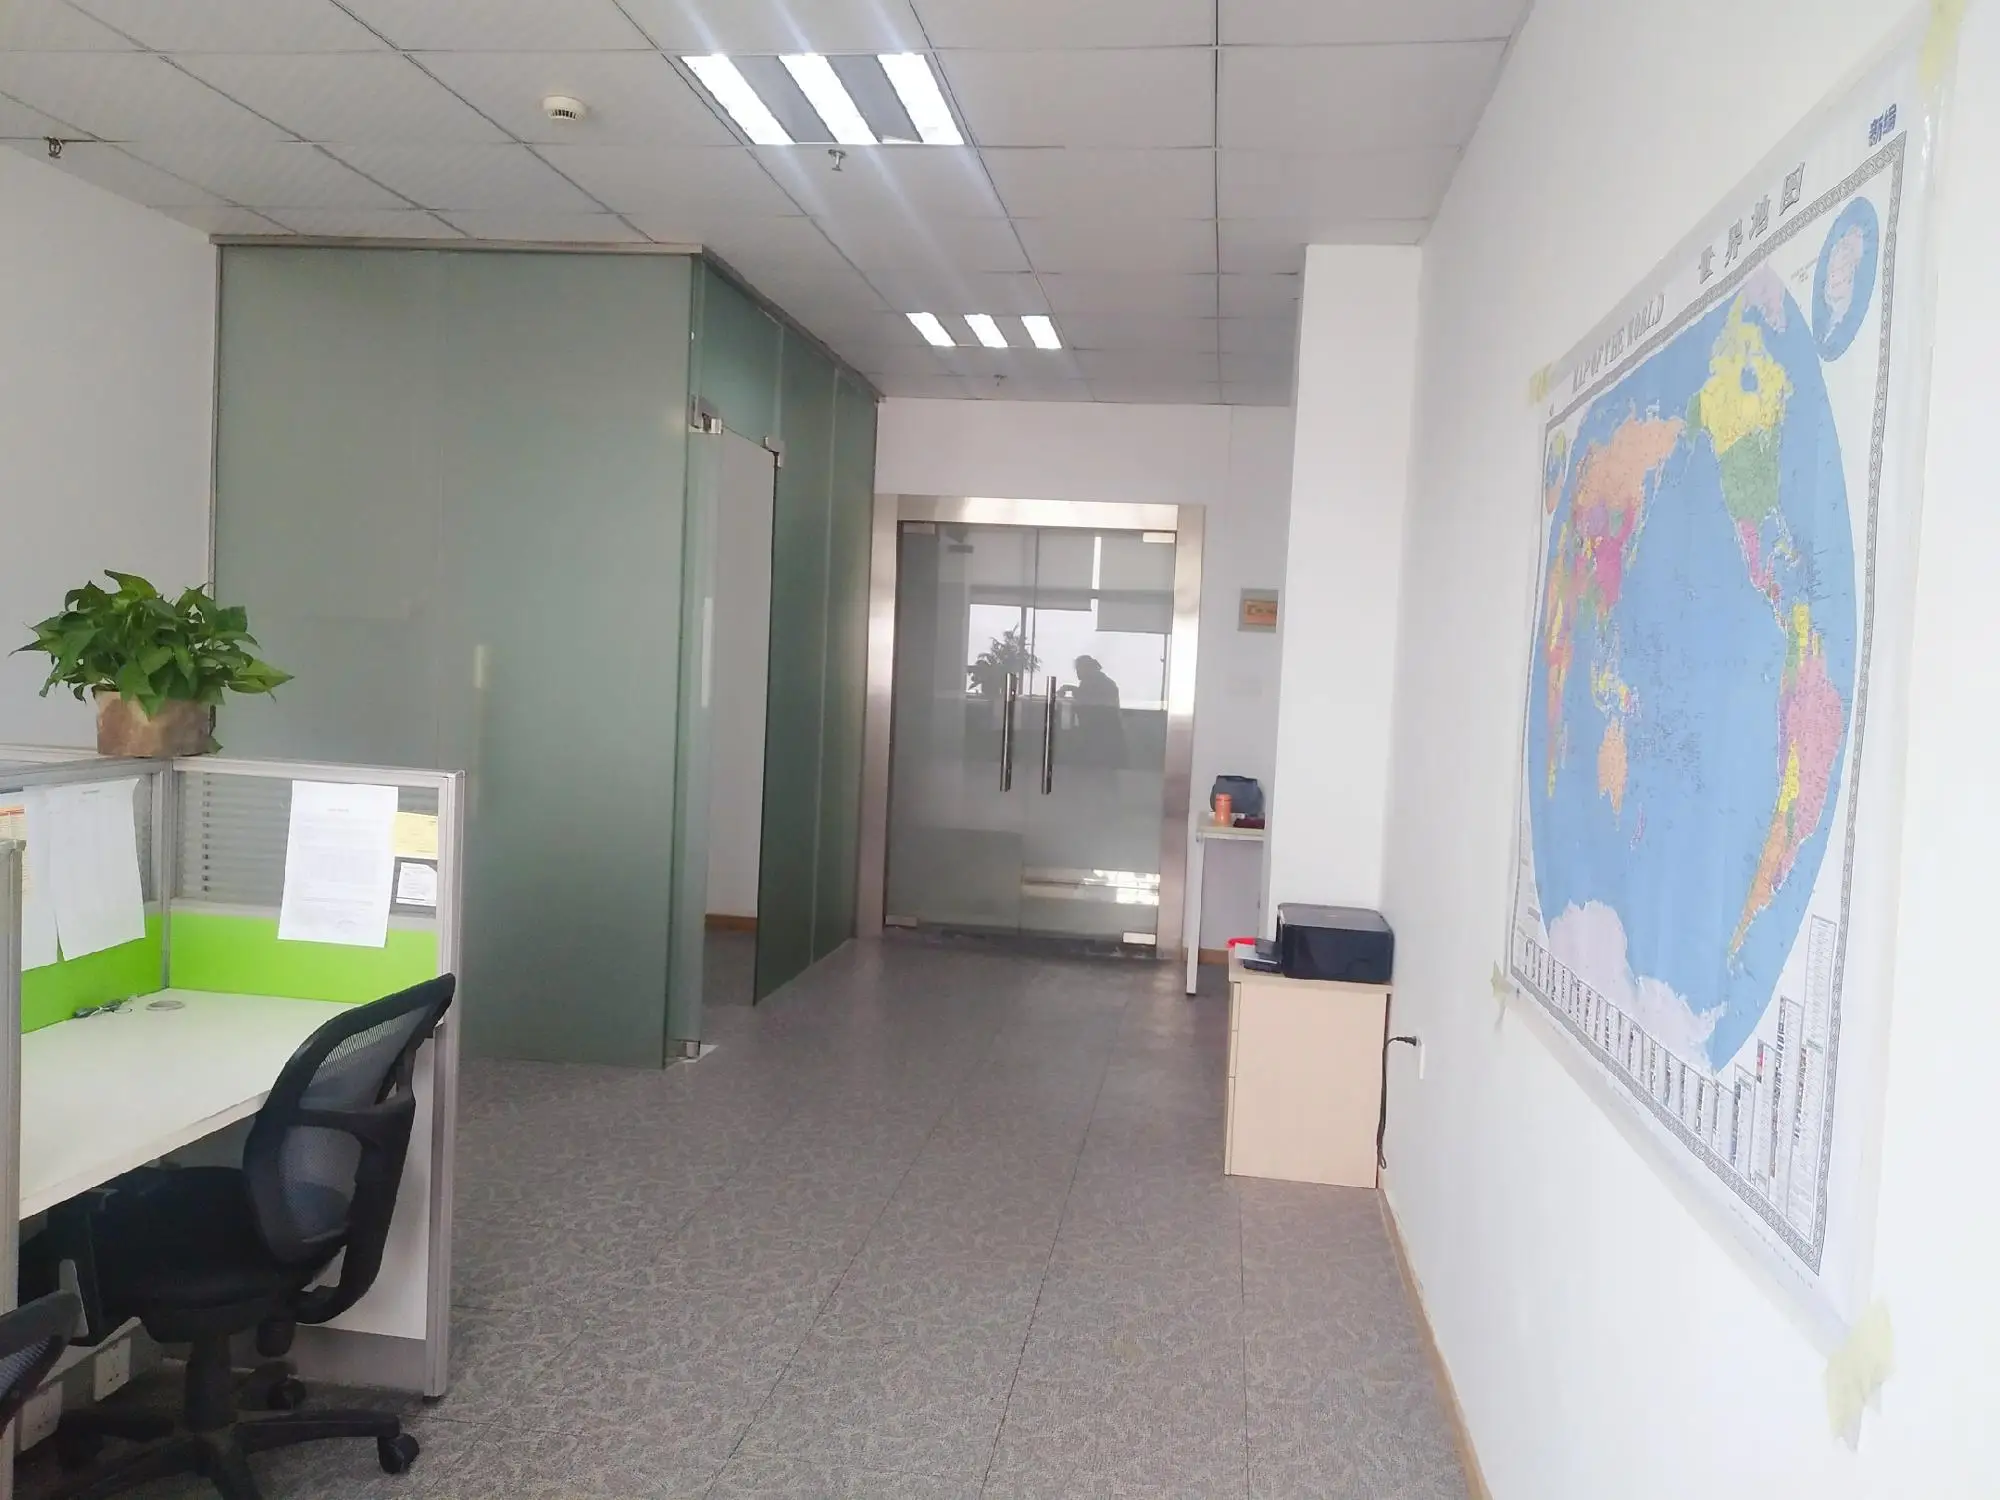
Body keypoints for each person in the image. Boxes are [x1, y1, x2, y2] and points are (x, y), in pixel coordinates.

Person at [1071, 655, 1125, 768]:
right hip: (1101, 735)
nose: (1077, 672)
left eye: (1079, 668)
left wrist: (1074, 692)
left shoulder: (1100, 683)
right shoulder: (1096, 682)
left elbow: (1092, 705)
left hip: (1102, 736)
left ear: (1087, 668)